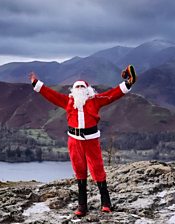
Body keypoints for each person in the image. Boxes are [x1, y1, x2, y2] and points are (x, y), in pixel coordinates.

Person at [29, 65, 137, 217]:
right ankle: (82, 206)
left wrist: (127, 84)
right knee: (79, 172)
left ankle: (106, 203)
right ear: (73, 90)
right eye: (77, 87)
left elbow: (112, 94)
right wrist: (36, 83)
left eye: (82, 86)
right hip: (74, 141)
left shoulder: (95, 100)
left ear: (88, 90)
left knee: (98, 170)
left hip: (91, 140)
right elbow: (51, 94)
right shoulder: (67, 101)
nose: (79, 88)